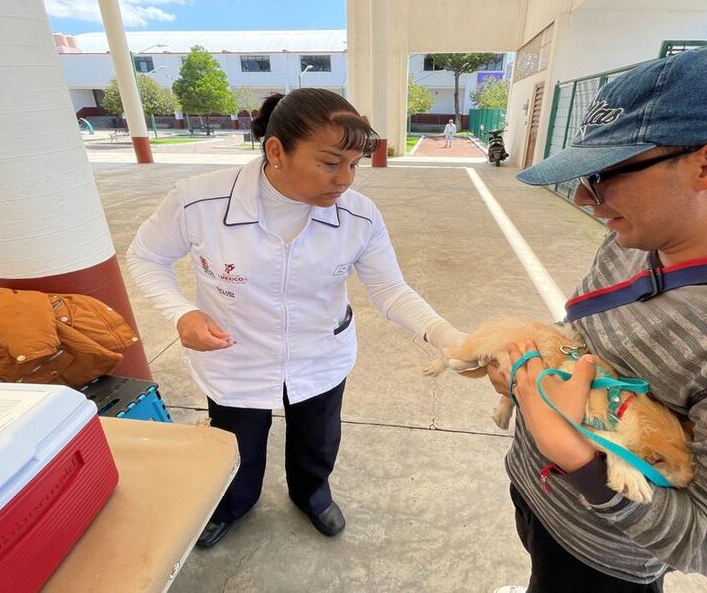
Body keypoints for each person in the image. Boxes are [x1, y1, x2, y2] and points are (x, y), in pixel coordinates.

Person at [480, 48, 707, 591]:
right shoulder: (637, 238)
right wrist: (528, 378)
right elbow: (581, 343)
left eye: (606, 173)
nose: (586, 196)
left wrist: (581, 460)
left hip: (601, 561)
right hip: (538, 496)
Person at [127, 88, 465, 548]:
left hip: (319, 351)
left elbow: (389, 289)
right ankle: (232, 503)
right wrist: (181, 313)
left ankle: (313, 495)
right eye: (330, 162)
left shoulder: (359, 216)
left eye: (354, 163)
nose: (345, 179)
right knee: (236, 445)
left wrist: (447, 336)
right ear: (275, 151)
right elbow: (146, 257)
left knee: (317, 439)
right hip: (235, 355)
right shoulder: (197, 202)